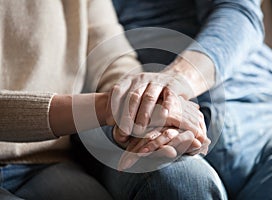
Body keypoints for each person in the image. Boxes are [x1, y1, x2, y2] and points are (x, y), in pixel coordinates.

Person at [74, 0, 272, 199]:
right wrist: (142, 108)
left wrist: (177, 79)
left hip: (263, 115)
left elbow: (239, 13)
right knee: (179, 183)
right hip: (138, 124)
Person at [0, 0, 204, 199]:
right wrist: (110, 106)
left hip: (48, 162)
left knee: (190, 178)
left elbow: (113, 60)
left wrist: (146, 108)